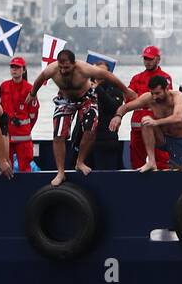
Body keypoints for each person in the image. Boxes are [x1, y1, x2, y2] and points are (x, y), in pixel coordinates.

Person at [27, 50, 134, 186]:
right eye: (61, 67)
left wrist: (126, 90)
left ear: (74, 64)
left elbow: (107, 75)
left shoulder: (84, 68)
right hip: (65, 99)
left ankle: (80, 161)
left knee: (90, 129)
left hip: (86, 97)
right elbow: (40, 78)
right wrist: (32, 93)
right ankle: (60, 172)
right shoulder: (52, 70)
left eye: (67, 67)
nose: (63, 70)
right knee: (59, 134)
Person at [109, 76, 182, 171]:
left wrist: (156, 122)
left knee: (180, 171)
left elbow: (178, 117)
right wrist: (118, 116)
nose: (155, 97)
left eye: (157, 93)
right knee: (145, 120)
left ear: (167, 89)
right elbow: (126, 107)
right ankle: (151, 161)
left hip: (181, 139)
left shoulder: (178, 97)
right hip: (163, 139)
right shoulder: (149, 98)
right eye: (152, 93)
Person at [128, 45, 173, 170]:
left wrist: (140, 99)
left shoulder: (165, 78)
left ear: (158, 59)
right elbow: (128, 100)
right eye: (145, 59)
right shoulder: (136, 78)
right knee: (136, 163)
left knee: (162, 161)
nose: (147, 62)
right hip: (137, 126)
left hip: (158, 126)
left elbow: (167, 100)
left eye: (150, 59)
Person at [0, 57, 38, 173]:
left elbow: (33, 114)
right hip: (7, 136)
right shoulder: (3, 86)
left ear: (24, 70)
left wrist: (25, 128)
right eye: (12, 67)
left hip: (23, 137)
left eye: (17, 67)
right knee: (5, 168)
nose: (14, 70)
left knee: (25, 169)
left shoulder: (30, 89)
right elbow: (0, 109)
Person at [86, 56, 126, 171]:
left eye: (103, 72)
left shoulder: (115, 88)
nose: (99, 74)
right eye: (97, 71)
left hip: (106, 140)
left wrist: (98, 89)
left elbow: (113, 107)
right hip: (86, 140)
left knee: (107, 174)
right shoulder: (85, 88)